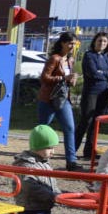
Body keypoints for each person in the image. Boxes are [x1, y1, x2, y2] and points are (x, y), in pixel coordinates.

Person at [9, 125, 62, 214]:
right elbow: (30, 186)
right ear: (38, 147)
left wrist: (57, 193)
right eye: (50, 148)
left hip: (44, 206)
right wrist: (52, 195)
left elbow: (51, 182)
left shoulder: (44, 163)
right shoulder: (26, 164)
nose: (53, 152)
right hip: (30, 208)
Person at [38, 32, 81, 172]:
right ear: (62, 43)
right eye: (70, 43)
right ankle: (38, 157)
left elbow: (67, 79)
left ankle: (71, 161)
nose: (72, 46)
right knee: (43, 129)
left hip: (63, 99)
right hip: (48, 99)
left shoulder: (70, 60)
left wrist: (72, 80)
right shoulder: (54, 59)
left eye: (74, 44)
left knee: (69, 128)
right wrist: (63, 78)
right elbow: (44, 78)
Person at [78, 32, 108, 160]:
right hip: (91, 93)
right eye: (99, 41)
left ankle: (89, 152)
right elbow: (92, 73)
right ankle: (72, 151)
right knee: (86, 121)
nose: (102, 43)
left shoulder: (106, 57)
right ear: (94, 42)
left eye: (104, 41)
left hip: (103, 94)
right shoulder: (89, 56)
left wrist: (103, 73)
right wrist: (105, 74)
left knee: (96, 123)